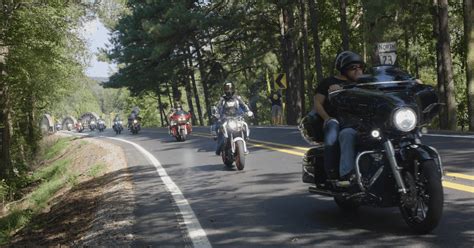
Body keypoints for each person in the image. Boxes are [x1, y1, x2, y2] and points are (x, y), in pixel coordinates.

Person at [313, 51, 364, 182]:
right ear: (343, 69)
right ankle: (337, 173)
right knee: (338, 130)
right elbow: (317, 103)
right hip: (337, 120)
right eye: (353, 68)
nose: (358, 70)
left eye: (360, 67)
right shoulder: (329, 82)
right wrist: (327, 118)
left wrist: (411, 81)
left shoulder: (365, 83)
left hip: (360, 121)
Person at [215, 82, 253, 155]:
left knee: (244, 125)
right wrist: (216, 114)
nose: (229, 90)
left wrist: (248, 112)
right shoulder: (222, 99)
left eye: (230, 88)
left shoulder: (237, 98)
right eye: (227, 89)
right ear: (224, 90)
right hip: (226, 119)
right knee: (221, 132)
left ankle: (246, 139)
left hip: (237, 118)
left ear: (233, 89)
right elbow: (218, 107)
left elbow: (244, 106)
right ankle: (219, 149)